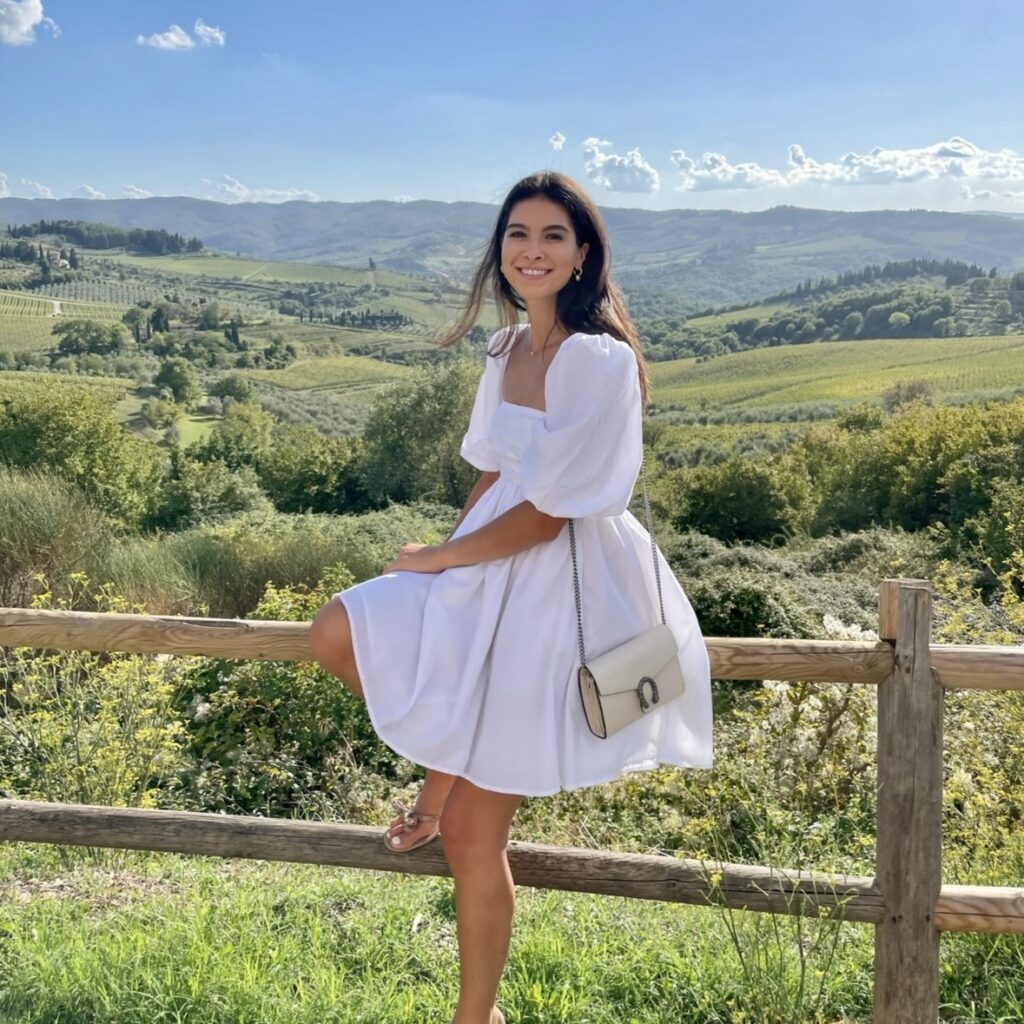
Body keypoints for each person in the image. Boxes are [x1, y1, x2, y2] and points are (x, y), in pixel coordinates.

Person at [308, 170, 713, 1024]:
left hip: (559, 578)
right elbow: (495, 472)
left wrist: (439, 560)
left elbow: (545, 517)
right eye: (519, 233)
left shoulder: (597, 360)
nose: (532, 249)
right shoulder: (504, 350)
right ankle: (436, 795)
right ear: (501, 251)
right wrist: (447, 564)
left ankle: (475, 1015)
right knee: (340, 627)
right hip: (491, 551)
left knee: (473, 833)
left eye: (553, 236)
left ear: (582, 255)